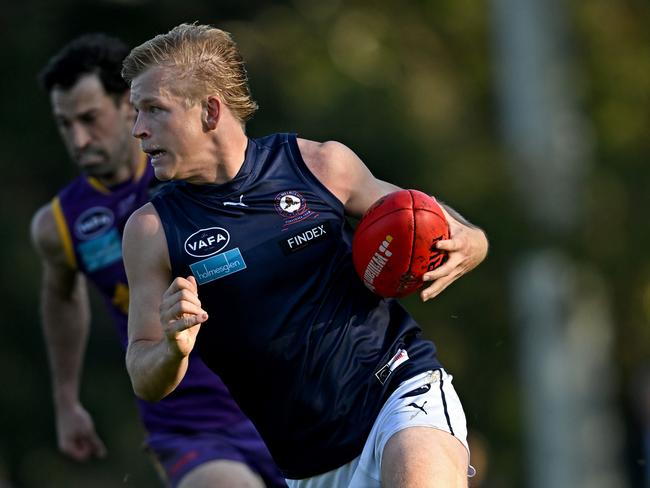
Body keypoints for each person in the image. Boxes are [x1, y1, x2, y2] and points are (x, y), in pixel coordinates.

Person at [121, 23, 489, 487]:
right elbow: (143, 373)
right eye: (137, 112)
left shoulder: (319, 166)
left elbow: (424, 214)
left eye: (154, 109)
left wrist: (472, 241)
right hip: (311, 465)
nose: (137, 129)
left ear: (210, 112)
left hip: (398, 391)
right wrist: (174, 349)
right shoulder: (152, 231)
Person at [30, 33, 286, 488]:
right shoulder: (61, 224)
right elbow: (60, 299)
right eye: (63, 124)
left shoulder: (211, 174)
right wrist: (66, 400)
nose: (78, 139)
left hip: (282, 399)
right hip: (188, 424)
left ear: (130, 106)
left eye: (89, 118)